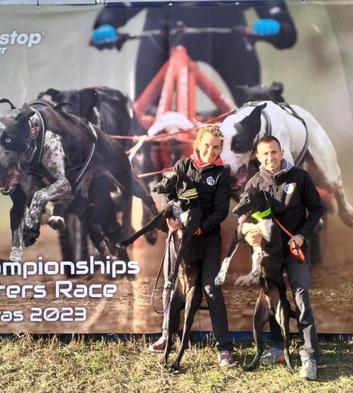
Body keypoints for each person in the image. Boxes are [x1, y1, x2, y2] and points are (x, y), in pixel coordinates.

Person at [91, 1, 297, 105]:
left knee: (256, 106)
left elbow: (287, 31)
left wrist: (278, 27)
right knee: (142, 113)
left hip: (228, 39)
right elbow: (119, 7)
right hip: (162, 38)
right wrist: (105, 23)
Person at [149, 124, 235, 368]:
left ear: (221, 149)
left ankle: (224, 348)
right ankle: (167, 336)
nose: (211, 150)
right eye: (207, 145)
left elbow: (221, 211)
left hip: (207, 237)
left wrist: (200, 228)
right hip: (179, 235)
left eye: (216, 147)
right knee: (170, 285)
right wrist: (172, 219)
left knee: (210, 288)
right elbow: (167, 193)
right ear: (198, 144)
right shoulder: (182, 165)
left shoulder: (222, 173)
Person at [242, 136, 323, 380]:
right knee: (273, 298)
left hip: (295, 249)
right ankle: (278, 348)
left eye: (274, 152)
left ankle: (309, 354)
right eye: (265, 154)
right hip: (269, 256)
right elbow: (244, 222)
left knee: (300, 296)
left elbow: (317, 208)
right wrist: (249, 235)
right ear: (258, 156)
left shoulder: (300, 177)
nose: (270, 158)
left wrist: (301, 235)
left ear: (282, 151)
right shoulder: (254, 183)